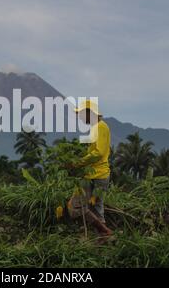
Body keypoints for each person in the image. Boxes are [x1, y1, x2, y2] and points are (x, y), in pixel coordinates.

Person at [71, 100, 113, 237]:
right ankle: (103, 237)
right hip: (98, 174)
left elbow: (99, 152)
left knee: (77, 205)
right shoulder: (98, 127)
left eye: (82, 114)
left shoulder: (100, 127)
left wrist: (79, 163)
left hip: (96, 174)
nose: (80, 117)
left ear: (89, 113)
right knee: (96, 207)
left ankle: (105, 232)